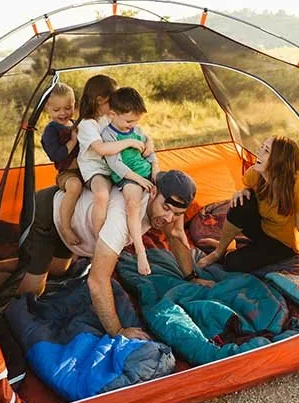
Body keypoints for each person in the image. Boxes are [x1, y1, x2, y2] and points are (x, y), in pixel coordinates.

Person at [18, 170, 202, 339]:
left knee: (59, 269)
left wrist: (191, 277)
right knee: (32, 291)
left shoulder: (166, 206)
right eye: (166, 208)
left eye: (177, 213)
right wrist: (118, 331)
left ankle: (21, 263)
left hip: (70, 230)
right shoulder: (121, 219)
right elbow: (97, 281)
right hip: (45, 214)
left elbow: (175, 235)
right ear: (153, 192)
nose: (169, 218)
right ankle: (1, 270)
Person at [197, 134, 299, 276]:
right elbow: (246, 189)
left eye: (266, 151)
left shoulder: (298, 183)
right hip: (261, 228)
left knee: (232, 263)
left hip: (281, 243)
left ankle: (231, 248)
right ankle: (219, 251)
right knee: (241, 202)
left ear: (278, 161)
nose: (259, 151)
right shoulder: (255, 173)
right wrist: (243, 191)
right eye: (262, 147)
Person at [74, 74, 152, 237]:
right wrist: (129, 142)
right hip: (96, 170)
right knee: (102, 195)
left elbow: (134, 130)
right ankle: (99, 237)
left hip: (112, 166)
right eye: (112, 100)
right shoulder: (87, 124)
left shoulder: (107, 117)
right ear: (100, 100)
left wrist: (148, 142)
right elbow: (101, 149)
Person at [101, 86, 159, 275]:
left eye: (135, 121)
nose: (132, 125)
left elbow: (150, 153)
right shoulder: (108, 135)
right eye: (128, 121)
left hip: (147, 170)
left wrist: (155, 170)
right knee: (132, 203)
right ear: (112, 114)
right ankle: (140, 252)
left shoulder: (137, 130)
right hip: (129, 177)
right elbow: (115, 164)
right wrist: (139, 180)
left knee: (176, 187)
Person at [39, 83, 84, 246]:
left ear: (74, 104)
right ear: (47, 108)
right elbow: (55, 155)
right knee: (75, 186)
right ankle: (65, 227)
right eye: (57, 110)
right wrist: (73, 141)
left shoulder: (77, 124)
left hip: (86, 170)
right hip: (67, 173)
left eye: (67, 108)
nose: (63, 113)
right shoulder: (51, 131)